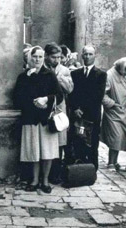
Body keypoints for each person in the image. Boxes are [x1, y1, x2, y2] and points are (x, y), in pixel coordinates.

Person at [14, 46, 63, 193]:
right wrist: (31, 102)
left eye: (40, 57)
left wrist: (46, 99)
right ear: (30, 58)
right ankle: (34, 180)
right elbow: (17, 98)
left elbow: (59, 96)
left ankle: (45, 180)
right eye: (35, 56)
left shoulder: (50, 75)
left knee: (47, 152)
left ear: (44, 58)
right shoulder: (23, 77)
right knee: (34, 151)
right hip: (30, 118)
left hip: (45, 119)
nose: (37, 59)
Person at [68, 45, 107, 171]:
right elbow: (72, 93)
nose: (88, 57)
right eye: (85, 54)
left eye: (90, 54)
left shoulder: (101, 75)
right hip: (77, 113)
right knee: (77, 140)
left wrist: (83, 109)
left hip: (92, 114)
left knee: (92, 142)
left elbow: (98, 95)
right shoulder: (75, 73)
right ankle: (78, 169)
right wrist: (75, 108)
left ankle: (91, 170)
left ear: (95, 56)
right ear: (81, 55)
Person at [44, 43, 73, 184]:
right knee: (46, 141)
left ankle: (55, 174)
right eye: (53, 57)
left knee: (60, 143)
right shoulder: (41, 68)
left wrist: (59, 77)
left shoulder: (65, 70)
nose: (57, 60)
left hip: (59, 110)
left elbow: (70, 89)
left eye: (59, 57)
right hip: (45, 109)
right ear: (47, 56)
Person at [101, 57, 126, 171]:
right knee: (115, 137)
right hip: (114, 112)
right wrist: (112, 103)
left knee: (121, 138)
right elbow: (102, 94)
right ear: (121, 66)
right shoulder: (109, 75)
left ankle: (115, 162)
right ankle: (111, 162)